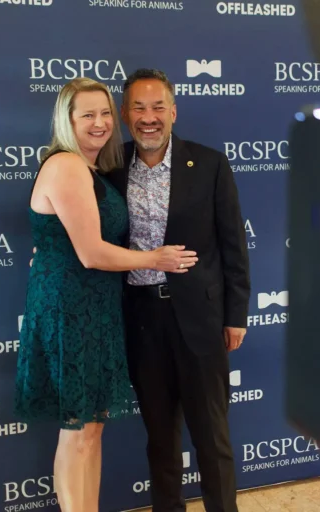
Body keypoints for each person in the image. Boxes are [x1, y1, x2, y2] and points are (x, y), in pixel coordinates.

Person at [14, 77, 199, 512]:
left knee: (89, 429)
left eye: (104, 113)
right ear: (67, 120)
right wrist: (156, 259)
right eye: (87, 115)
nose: (99, 123)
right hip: (71, 308)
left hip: (94, 306)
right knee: (79, 432)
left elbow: (69, 240)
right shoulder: (67, 166)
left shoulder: (90, 168)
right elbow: (92, 252)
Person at [108, 68, 250, 512]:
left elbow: (233, 244)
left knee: (212, 438)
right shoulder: (109, 169)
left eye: (157, 107)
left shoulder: (208, 164)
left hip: (201, 321)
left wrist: (235, 315)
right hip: (141, 320)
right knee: (160, 439)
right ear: (125, 114)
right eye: (138, 107)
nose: (148, 117)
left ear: (173, 111)